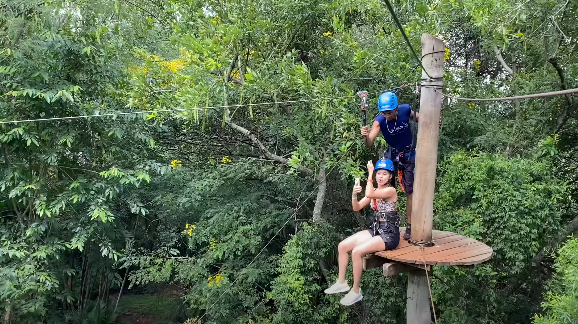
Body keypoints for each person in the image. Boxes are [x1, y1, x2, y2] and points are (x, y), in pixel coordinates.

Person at [324, 158, 400, 306]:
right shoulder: (375, 191)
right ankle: (341, 282)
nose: (380, 176)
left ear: (390, 176)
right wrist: (353, 195)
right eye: (378, 173)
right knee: (342, 246)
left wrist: (370, 173)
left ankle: (356, 291)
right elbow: (357, 207)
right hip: (376, 230)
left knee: (357, 252)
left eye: (384, 174)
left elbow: (370, 193)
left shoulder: (390, 191)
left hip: (389, 234)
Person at [361, 91, 417, 241]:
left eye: (390, 112)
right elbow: (369, 143)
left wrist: (433, 120)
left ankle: (410, 226)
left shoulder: (405, 110)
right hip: (392, 155)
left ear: (396, 108)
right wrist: (366, 136)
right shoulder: (379, 121)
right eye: (384, 112)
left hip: (409, 153)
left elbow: (421, 118)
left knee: (409, 191)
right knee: (384, 187)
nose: (387, 115)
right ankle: (384, 223)